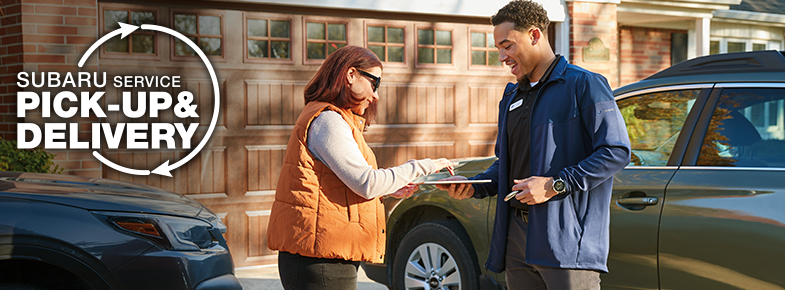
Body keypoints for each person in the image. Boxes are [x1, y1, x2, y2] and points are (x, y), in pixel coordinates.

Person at [436, 1, 631, 289]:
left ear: (535, 35)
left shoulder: (585, 85)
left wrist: (556, 185)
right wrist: (474, 185)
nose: (502, 56)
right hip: (516, 241)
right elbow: (507, 165)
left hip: (566, 243)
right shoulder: (512, 96)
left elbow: (616, 151)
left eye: (507, 46)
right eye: (499, 49)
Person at [267, 45, 454, 290]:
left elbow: (344, 184)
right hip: (319, 259)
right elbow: (367, 183)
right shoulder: (327, 120)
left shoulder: (333, 118)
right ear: (350, 75)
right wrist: (423, 166)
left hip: (325, 251)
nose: (376, 95)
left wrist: (389, 190)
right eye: (374, 82)